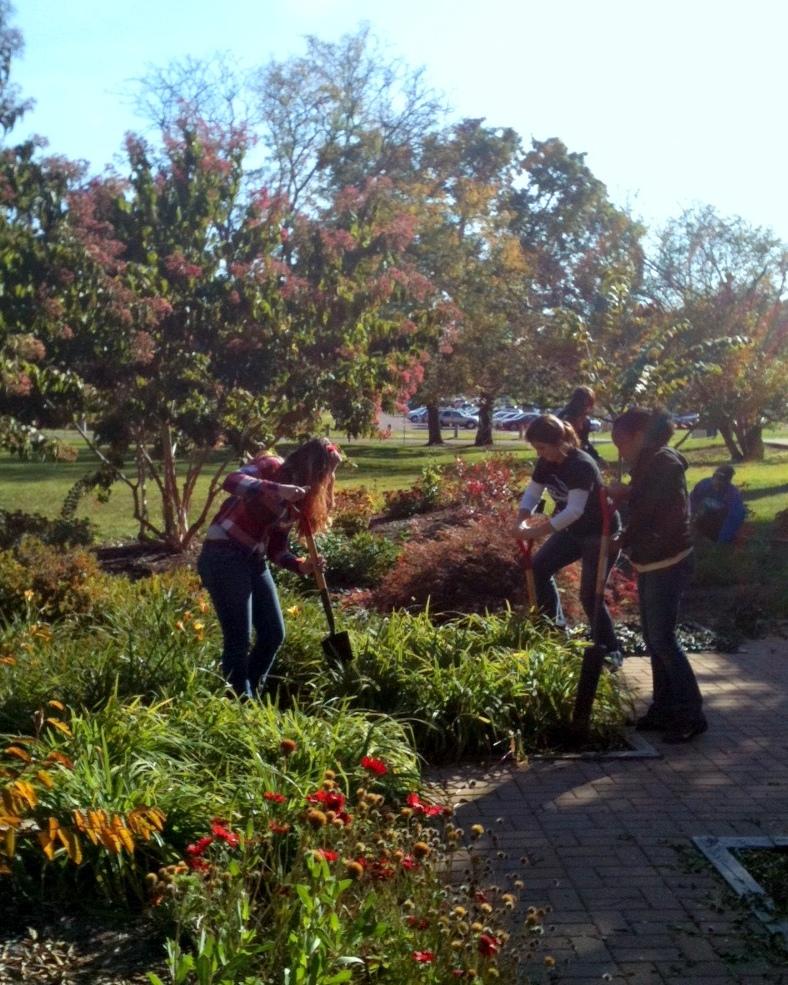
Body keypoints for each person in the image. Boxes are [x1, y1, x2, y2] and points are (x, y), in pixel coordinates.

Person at [197, 437, 342, 699]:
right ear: (310, 466)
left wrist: (302, 565)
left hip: (254, 560)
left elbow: (277, 548)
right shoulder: (270, 466)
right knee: (239, 640)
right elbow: (231, 481)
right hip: (223, 555)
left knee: (273, 633)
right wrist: (276, 489)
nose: (325, 482)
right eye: (324, 474)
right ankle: (240, 705)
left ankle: (246, 699)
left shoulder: (301, 499)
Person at [610, 408, 707, 743]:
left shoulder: (664, 463)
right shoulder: (648, 462)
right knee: (654, 639)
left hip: (669, 560)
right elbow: (644, 506)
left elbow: (657, 509)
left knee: (664, 639)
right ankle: (665, 708)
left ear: (639, 436)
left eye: (620, 442)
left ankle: (691, 714)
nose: (618, 450)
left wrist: (626, 499)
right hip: (651, 561)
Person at [516, 414, 622, 664]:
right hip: (573, 532)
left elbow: (575, 510)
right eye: (536, 449)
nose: (540, 454)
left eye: (542, 447)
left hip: (599, 532)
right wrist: (521, 519)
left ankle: (610, 650)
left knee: (589, 594)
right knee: (539, 567)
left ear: (558, 442)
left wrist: (534, 532)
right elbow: (532, 493)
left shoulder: (580, 465)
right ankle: (554, 630)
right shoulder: (546, 463)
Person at [690, 465, 746, 543]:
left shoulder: (733, 494)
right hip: (699, 518)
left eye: (722, 480)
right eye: (716, 478)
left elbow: (735, 516)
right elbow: (691, 502)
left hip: (718, 524)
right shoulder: (703, 484)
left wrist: (721, 539)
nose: (718, 482)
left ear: (728, 481)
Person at [558, 385, 601, 462]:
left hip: (579, 457)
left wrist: (596, 456)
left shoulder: (586, 421)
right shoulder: (565, 418)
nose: (588, 408)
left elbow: (584, 441)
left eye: (590, 405)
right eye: (585, 404)